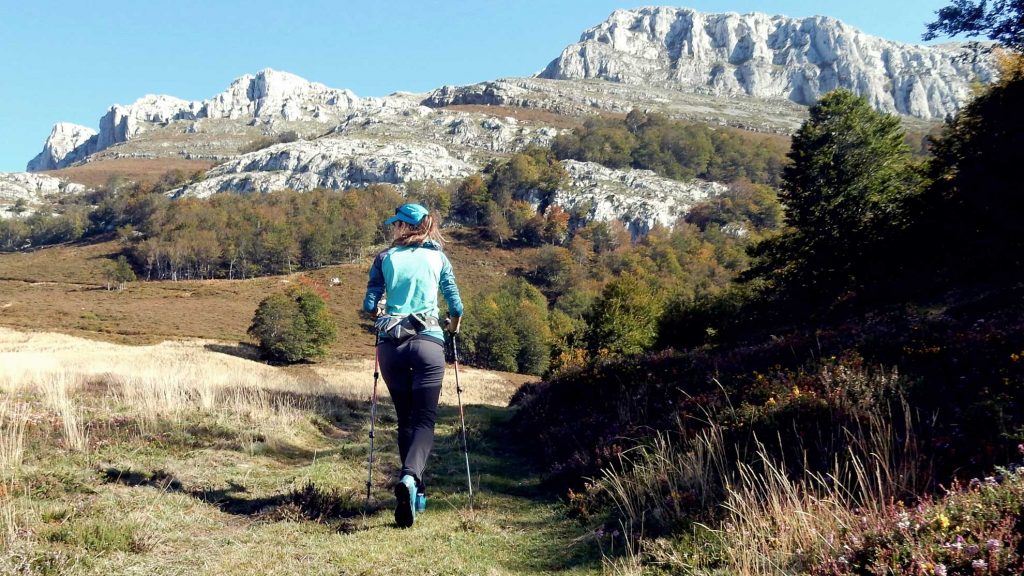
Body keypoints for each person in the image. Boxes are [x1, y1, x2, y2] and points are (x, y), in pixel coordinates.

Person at [362, 203, 463, 528]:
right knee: (424, 421)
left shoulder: (384, 258)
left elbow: (368, 304)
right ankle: (410, 480)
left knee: (405, 419)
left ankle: (415, 491)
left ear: (405, 227)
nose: (393, 229)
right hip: (428, 344)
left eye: (396, 224)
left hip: (391, 346)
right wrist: (453, 325)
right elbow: (456, 304)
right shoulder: (438, 258)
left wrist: (380, 313)